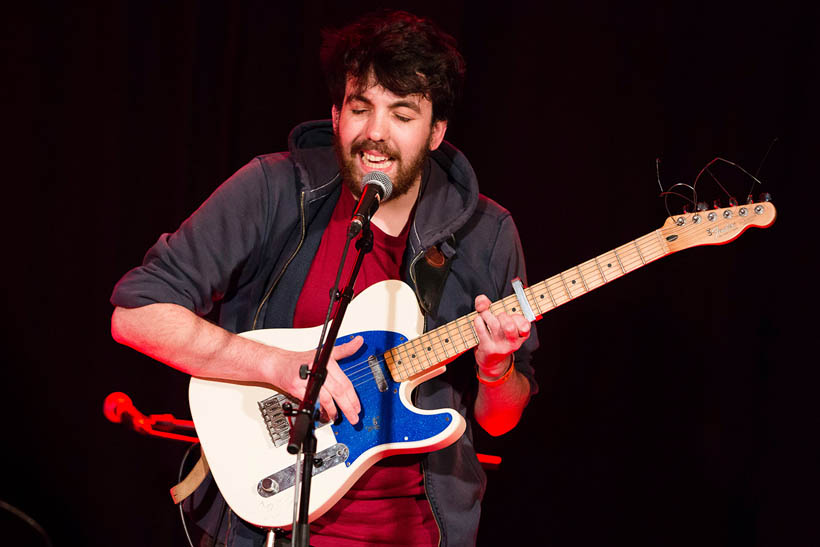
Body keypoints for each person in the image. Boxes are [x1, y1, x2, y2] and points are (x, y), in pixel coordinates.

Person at [111, 10, 538, 547]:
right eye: (362, 108)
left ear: (436, 132)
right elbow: (135, 314)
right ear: (336, 115)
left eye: (403, 114)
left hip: (416, 533)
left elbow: (499, 422)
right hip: (267, 526)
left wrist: (497, 369)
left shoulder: (487, 233)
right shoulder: (273, 188)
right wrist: (275, 365)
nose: (376, 134)